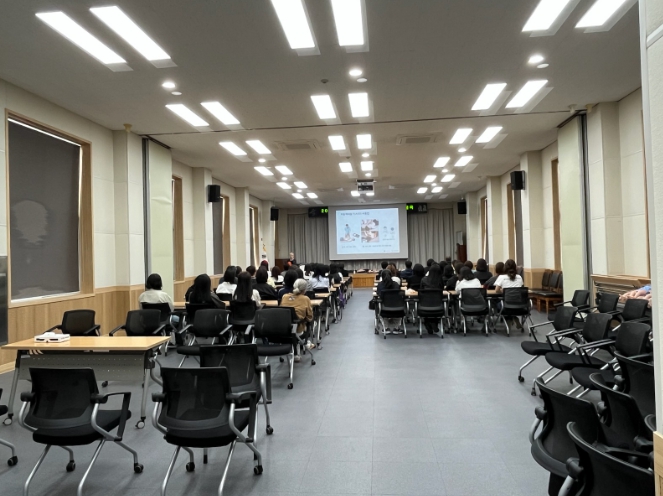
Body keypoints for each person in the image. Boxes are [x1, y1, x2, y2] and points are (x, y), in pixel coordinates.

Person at [280, 279, 315, 361]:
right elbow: (309, 317)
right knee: (306, 323)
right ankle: (298, 352)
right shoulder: (306, 299)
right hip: (298, 329)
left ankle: (298, 351)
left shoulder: (284, 297)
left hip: (284, 329)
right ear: (304, 289)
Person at [376, 270, 402, 334]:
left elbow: (378, 295)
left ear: (382, 277)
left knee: (379, 305)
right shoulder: (396, 284)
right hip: (397, 308)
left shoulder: (380, 285)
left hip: (384, 309)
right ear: (391, 276)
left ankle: (386, 327)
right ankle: (396, 328)